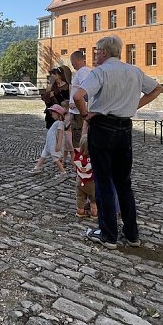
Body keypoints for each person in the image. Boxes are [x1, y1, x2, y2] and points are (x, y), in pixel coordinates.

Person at [74, 35, 163, 249]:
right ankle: (132, 234)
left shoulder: (100, 72)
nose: (95, 55)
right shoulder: (134, 71)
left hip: (103, 127)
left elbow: (78, 96)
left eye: (97, 51)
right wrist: (134, 106)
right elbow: (157, 89)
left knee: (104, 183)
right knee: (124, 183)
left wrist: (86, 115)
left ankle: (109, 234)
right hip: (124, 128)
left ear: (104, 52)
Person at [68, 51, 92, 215]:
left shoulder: (83, 72)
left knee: (79, 142)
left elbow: (86, 93)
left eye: (72, 62)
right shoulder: (84, 72)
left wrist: (82, 111)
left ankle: (82, 169)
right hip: (77, 112)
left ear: (76, 60)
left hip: (79, 114)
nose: (72, 65)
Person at [29, 104, 67, 176]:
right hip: (49, 143)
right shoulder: (56, 123)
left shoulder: (60, 123)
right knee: (43, 155)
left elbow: (60, 134)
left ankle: (63, 172)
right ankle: (37, 167)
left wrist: (58, 144)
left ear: (58, 114)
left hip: (53, 144)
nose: (51, 114)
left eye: (53, 112)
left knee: (55, 158)